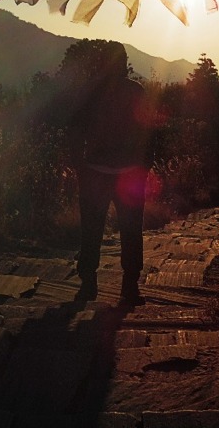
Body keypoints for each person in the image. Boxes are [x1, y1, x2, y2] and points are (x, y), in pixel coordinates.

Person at [64, 40, 154, 306]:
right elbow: (148, 130)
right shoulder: (135, 91)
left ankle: (89, 284)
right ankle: (129, 287)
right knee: (130, 229)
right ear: (125, 63)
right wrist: (145, 165)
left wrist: (78, 163)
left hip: (95, 172)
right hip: (126, 173)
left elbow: (74, 129)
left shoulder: (90, 92)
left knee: (91, 230)